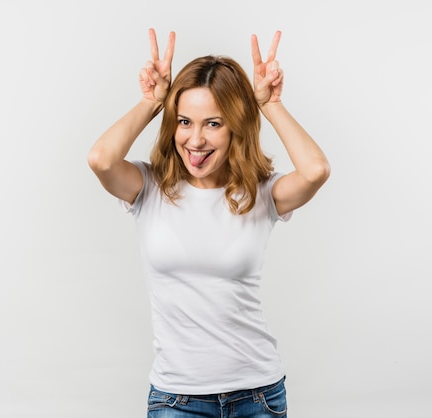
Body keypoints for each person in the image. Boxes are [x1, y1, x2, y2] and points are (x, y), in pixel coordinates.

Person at [88, 28, 330, 418]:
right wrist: (152, 101)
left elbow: (316, 170)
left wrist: (269, 105)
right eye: (185, 121)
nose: (195, 140)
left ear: (236, 126)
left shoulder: (261, 193)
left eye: (214, 123)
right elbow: (100, 159)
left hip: (258, 396)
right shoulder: (149, 187)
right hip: (176, 399)